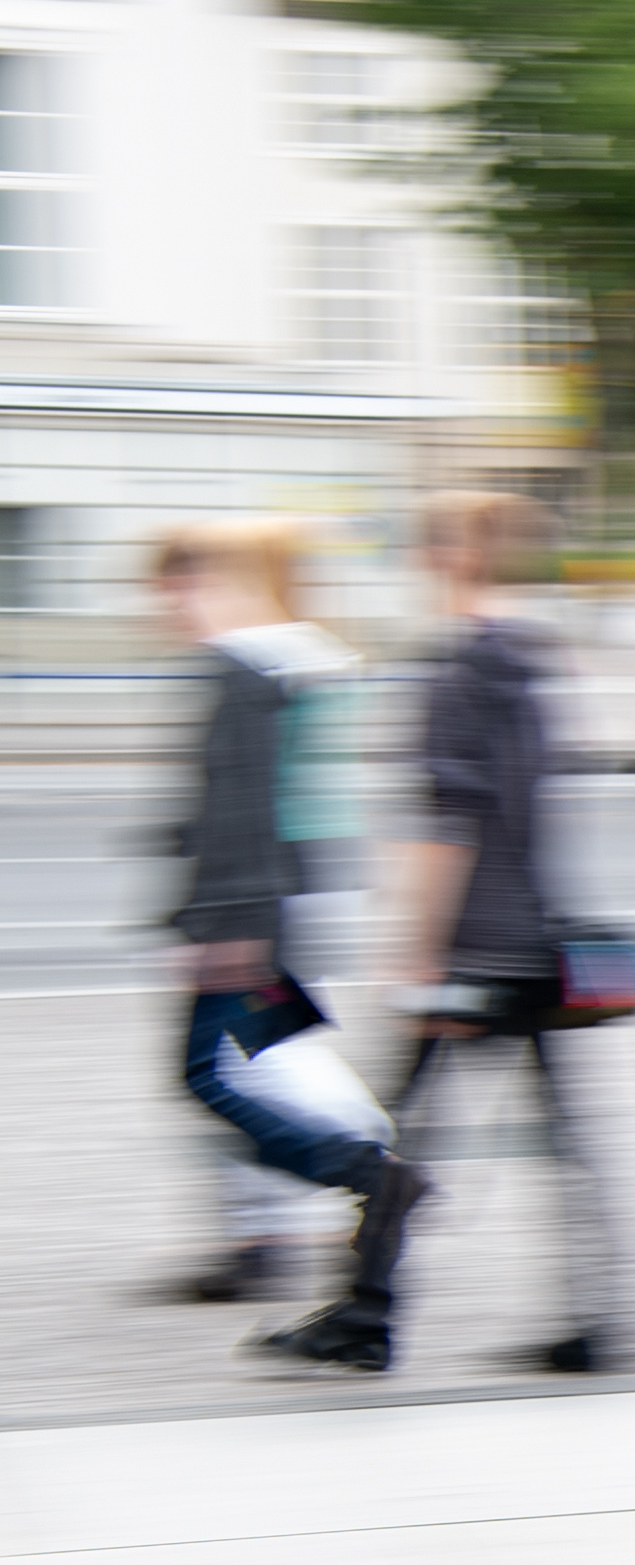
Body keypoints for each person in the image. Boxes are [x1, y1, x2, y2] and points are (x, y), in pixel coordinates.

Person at [155, 520, 432, 1374]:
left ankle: (362, 1169)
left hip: (264, 906)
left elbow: (242, 803)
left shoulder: (249, 665)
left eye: (175, 585)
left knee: (212, 1071)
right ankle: (318, 1203)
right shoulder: (307, 657)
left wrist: (222, 922)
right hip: (297, 895)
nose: (164, 603)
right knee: (275, 1051)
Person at [380, 491, 625, 1374]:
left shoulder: (456, 670)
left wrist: (416, 946)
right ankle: (602, 1316)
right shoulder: (538, 660)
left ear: (457, 557)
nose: (417, 556)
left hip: (472, 944)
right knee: (569, 1136)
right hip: (538, 933)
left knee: (397, 1132)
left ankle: (364, 1314)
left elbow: (449, 822)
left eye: (427, 542)